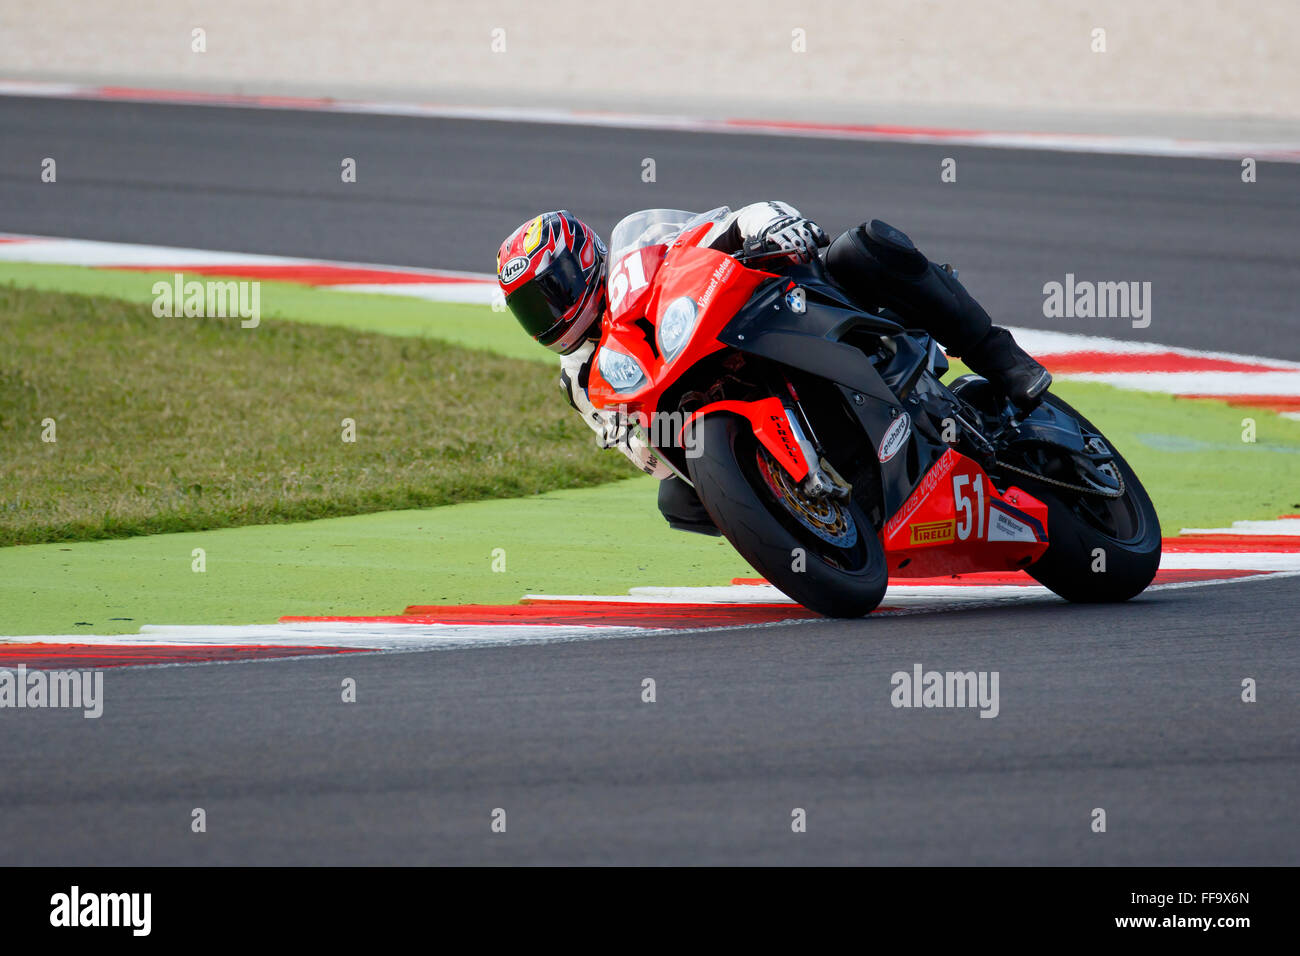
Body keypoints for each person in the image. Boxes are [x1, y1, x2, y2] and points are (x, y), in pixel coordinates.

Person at [495, 203, 1051, 534]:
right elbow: (643, 454)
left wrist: (772, 226)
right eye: (529, 307)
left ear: (583, 259)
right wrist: (649, 447)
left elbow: (719, 225)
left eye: (550, 291)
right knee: (678, 502)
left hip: (771, 310)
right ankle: (801, 521)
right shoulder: (579, 379)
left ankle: (1001, 357)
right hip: (708, 395)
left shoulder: (640, 256)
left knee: (866, 247)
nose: (547, 313)